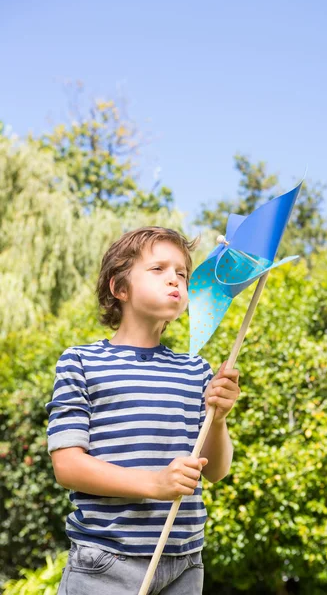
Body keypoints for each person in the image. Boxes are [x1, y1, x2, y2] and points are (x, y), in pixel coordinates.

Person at [46, 226, 240, 595]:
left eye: (182, 273)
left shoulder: (196, 371)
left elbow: (215, 471)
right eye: (158, 269)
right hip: (105, 562)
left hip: (184, 561)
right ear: (120, 288)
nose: (175, 280)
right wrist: (155, 484)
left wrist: (219, 419)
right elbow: (67, 465)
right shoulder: (81, 362)